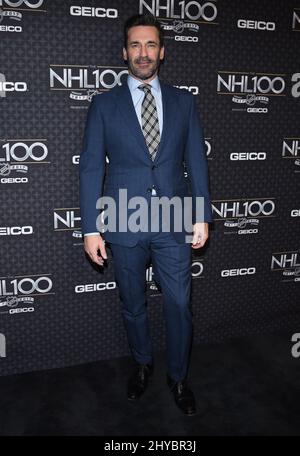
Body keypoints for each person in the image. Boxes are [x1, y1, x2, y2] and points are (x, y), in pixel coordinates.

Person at [79, 13, 213, 416]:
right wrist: (90, 228)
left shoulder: (183, 102)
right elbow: (90, 167)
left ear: (162, 51)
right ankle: (142, 364)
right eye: (135, 45)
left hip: (174, 218)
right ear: (125, 52)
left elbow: (197, 162)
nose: (143, 52)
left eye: (150, 44)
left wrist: (202, 214)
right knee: (133, 303)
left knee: (177, 303)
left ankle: (178, 376)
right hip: (123, 218)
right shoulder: (103, 105)